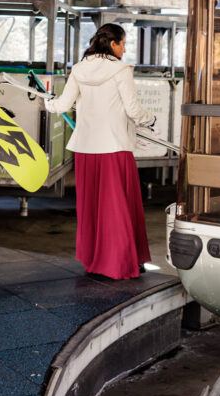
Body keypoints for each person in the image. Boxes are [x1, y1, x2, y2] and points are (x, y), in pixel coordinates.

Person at [45, 23, 156, 279]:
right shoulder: (121, 70)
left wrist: (48, 103)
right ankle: (123, 261)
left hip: (85, 149)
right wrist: (150, 120)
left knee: (93, 208)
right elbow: (133, 110)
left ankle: (96, 260)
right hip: (114, 147)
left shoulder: (79, 68)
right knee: (119, 207)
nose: (125, 49)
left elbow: (62, 105)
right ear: (113, 44)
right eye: (124, 44)